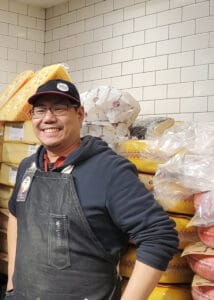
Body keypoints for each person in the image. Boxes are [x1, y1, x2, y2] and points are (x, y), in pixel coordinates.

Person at [5, 79, 178, 300]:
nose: (48, 118)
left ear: (80, 115)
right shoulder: (28, 166)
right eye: (40, 110)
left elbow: (159, 235)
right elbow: (15, 214)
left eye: (59, 108)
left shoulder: (110, 170)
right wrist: (12, 283)